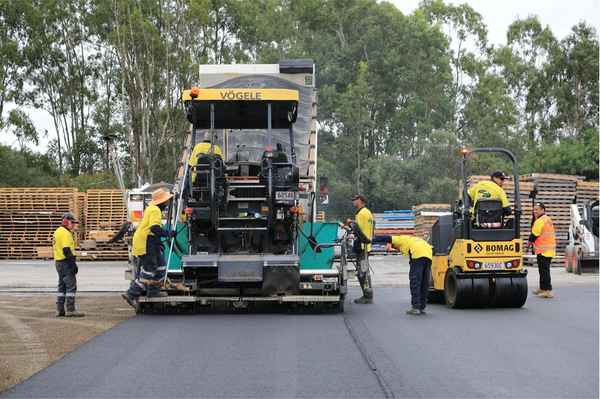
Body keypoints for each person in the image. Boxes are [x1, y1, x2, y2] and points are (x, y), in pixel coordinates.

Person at [122, 189, 176, 308]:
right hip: (145, 242)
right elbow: (154, 229)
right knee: (149, 270)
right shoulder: (155, 210)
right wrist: (168, 233)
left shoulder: (152, 209)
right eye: (167, 201)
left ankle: (153, 291)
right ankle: (131, 294)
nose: (168, 203)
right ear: (162, 202)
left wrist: (158, 242)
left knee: (161, 266)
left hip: (149, 241)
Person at [375, 235, 433, 315]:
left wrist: (371, 239)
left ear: (394, 244)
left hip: (417, 252)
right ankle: (421, 307)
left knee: (415, 281)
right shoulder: (410, 240)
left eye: (395, 248)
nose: (396, 249)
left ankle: (416, 308)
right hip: (428, 253)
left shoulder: (399, 239)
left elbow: (385, 237)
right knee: (424, 282)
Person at [53, 212, 84, 317]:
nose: (74, 225)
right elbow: (66, 250)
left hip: (58, 262)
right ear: (66, 222)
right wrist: (73, 265)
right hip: (66, 262)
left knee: (61, 287)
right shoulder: (65, 233)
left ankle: (60, 309)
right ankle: (70, 310)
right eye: (73, 223)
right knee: (71, 287)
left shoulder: (58, 231)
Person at [346, 195, 374, 304]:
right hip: (365, 246)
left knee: (362, 272)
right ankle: (367, 294)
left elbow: (358, 229)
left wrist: (350, 223)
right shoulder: (367, 213)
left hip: (363, 247)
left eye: (355, 200)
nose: (353, 202)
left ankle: (367, 296)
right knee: (363, 271)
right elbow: (361, 229)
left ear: (361, 201)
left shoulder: (362, 213)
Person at [528, 202, 556, 298]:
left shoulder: (540, 221)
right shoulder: (547, 219)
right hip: (547, 249)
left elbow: (534, 235)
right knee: (542, 270)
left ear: (543, 210)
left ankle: (548, 290)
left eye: (537, 209)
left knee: (544, 270)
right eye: (534, 209)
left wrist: (528, 244)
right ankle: (542, 288)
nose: (535, 211)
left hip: (544, 249)